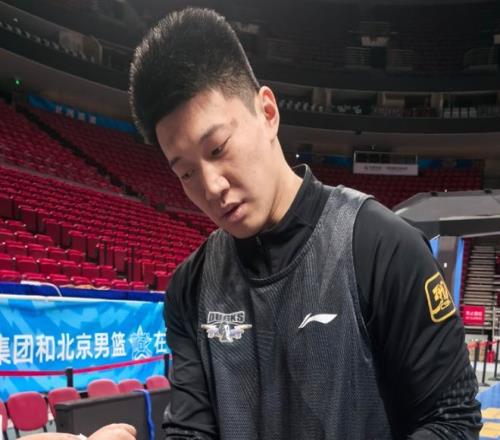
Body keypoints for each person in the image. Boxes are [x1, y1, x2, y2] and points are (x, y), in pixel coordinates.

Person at [129, 7, 482, 440]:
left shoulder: (381, 247)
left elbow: (453, 420)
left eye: (218, 148)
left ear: (267, 112)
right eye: (186, 172)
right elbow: (191, 433)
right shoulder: (190, 287)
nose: (211, 186)